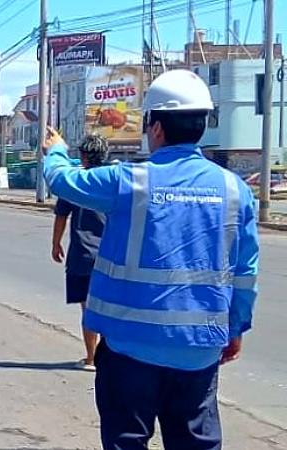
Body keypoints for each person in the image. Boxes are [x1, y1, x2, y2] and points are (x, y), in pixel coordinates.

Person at [42, 69, 259, 450]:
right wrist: (236, 328)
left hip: (129, 348)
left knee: (126, 441)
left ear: (155, 128)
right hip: (198, 349)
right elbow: (245, 273)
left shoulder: (130, 181)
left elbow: (62, 181)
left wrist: (56, 149)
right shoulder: (234, 190)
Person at [51, 134, 109, 372]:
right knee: (109, 308)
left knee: (88, 309)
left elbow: (61, 216)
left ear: (83, 156)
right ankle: (109, 359)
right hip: (110, 258)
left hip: (82, 257)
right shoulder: (113, 182)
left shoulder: (75, 182)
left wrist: (55, 244)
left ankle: (91, 358)